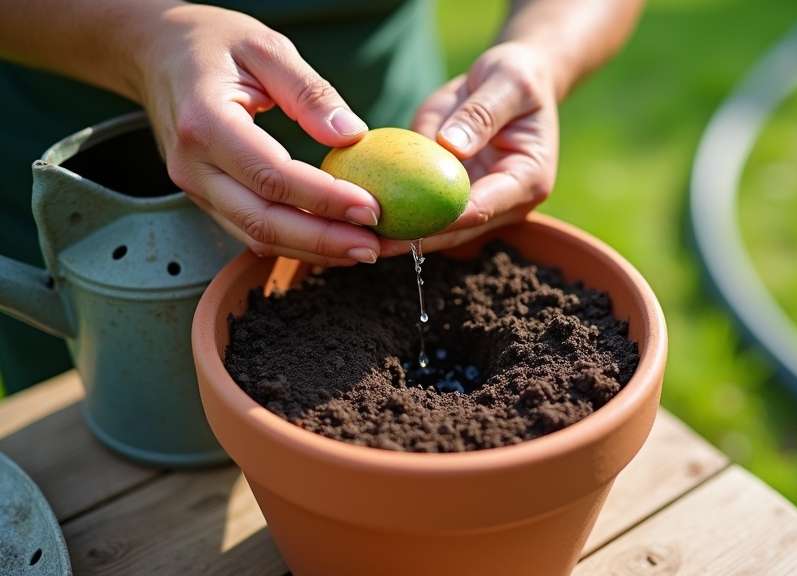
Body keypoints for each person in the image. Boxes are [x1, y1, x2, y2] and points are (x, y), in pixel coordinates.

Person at [0, 0, 643, 392]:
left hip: (397, 151)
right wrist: (139, 44)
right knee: (100, 432)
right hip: (94, 200)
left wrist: (540, 54)